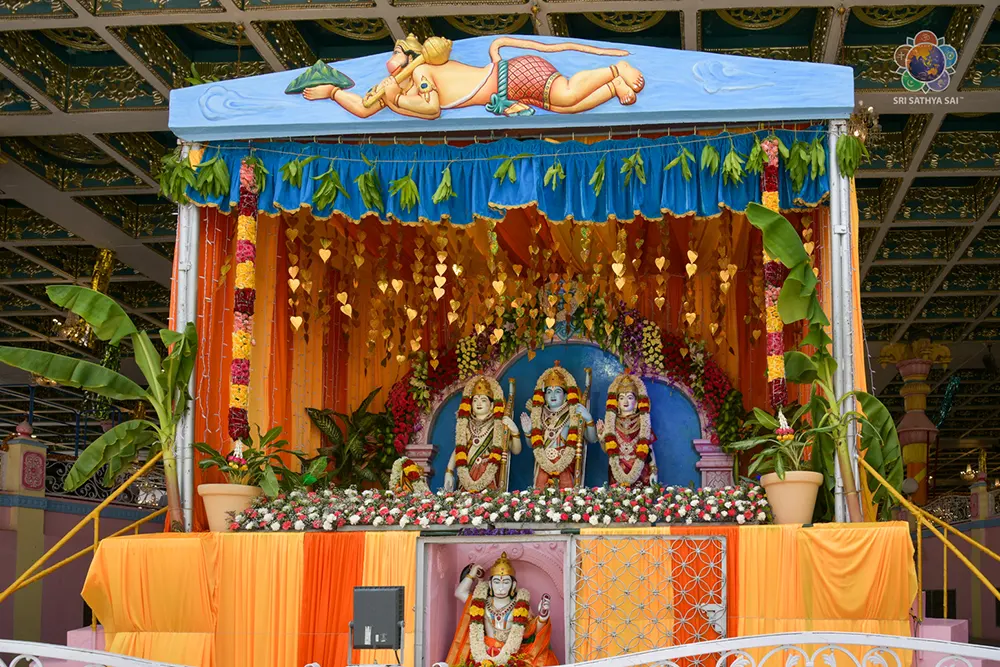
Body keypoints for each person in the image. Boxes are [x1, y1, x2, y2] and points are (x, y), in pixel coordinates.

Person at [302, 34, 645, 119]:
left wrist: (395, 99)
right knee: (568, 108)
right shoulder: (403, 86)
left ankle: (618, 69)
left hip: (510, 76)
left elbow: (432, 109)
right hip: (508, 92)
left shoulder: (422, 71)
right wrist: (332, 92)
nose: (393, 63)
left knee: (567, 93)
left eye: (398, 53)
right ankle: (612, 86)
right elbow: (364, 110)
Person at [443, 552, 557, 667]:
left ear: (513, 585)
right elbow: (459, 593)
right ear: (490, 584)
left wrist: (543, 615)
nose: (501, 587)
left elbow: (531, 630)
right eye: (497, 582)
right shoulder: (481, 602)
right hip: (482, 656)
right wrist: (472, 574)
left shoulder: (520, 605)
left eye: (506, 582)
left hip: (511, 657)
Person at [519, 362, 597, 489]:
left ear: (566, 396)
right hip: (543, 465)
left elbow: (592, 439)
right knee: (540, 498)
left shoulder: (573, 414)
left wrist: (588, 419)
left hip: (565, 464)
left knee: (566, 498)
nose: (553, 395)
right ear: (544, 396)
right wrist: (528, 432)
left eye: (558, 391)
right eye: (549, 392)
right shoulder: (538, 415)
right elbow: (531, 445)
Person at [444, 375, 520, 493]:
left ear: (492, 405)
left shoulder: (498, 426)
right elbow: (459, 449)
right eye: (475, 400)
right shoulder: (466, 425)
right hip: (467, 475)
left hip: (488, 475)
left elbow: (515, 450)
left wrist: (515, 432)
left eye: (483, 400)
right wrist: (449, 471)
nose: (478, 403)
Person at [598, 372, 657, 487]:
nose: (625, 401)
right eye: (621, 398)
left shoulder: (642, 422)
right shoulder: (611, 423)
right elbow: (608, 450)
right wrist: (601, 439)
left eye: (630, 397)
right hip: (618, 470)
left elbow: (649, 448)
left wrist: (654, 470)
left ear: (636, 403)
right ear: (617, 402)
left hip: (640, 471)